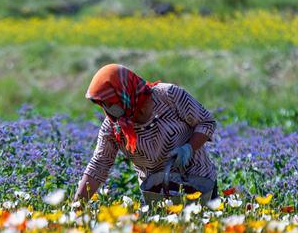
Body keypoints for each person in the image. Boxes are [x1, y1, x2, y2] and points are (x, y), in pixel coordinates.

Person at [75, 63, 218, 201]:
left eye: (110, 102)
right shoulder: (114, 127)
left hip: (198, 184)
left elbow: (206, 122)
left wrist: (188, 148)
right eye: (103, 104)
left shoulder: (169, 96)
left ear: (125, 93)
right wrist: (76, 207)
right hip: (157, 195)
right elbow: (99, 165)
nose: (107, 109)